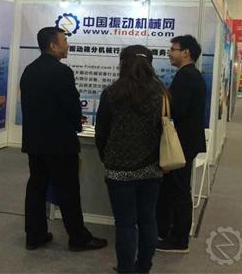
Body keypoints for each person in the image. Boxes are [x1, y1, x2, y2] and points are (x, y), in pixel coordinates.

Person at [20, 26, 107, 252]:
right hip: (59, 143)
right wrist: (77, 124)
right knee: (68, 191)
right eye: (64, 41)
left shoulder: (29, 70)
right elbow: (71, 106)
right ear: (53, 45)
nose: (67, 46)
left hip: (35, 143)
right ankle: (78, 238)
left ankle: (34, 235)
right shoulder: (62, 72)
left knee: (36, 188)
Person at [95, 45, 165, 274]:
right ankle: (143, 267)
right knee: (148, 220)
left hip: (118, 170)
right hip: (151, 168)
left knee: (125, 223)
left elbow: (101, 133)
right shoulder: (161, 94)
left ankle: (125, 269)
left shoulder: (111, 93)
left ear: (122, 64)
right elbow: (163, 130)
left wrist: (107, 157)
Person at [156, 35, 206, 254]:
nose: (170, 53)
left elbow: (176, 109)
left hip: (183, 142)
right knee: (174, 187)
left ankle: (179, 239)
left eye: (173, 49)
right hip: (187, 139)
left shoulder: (186, 76)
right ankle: (169, 231)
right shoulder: (191, 75)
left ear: (186, 53)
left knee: (179, 189)